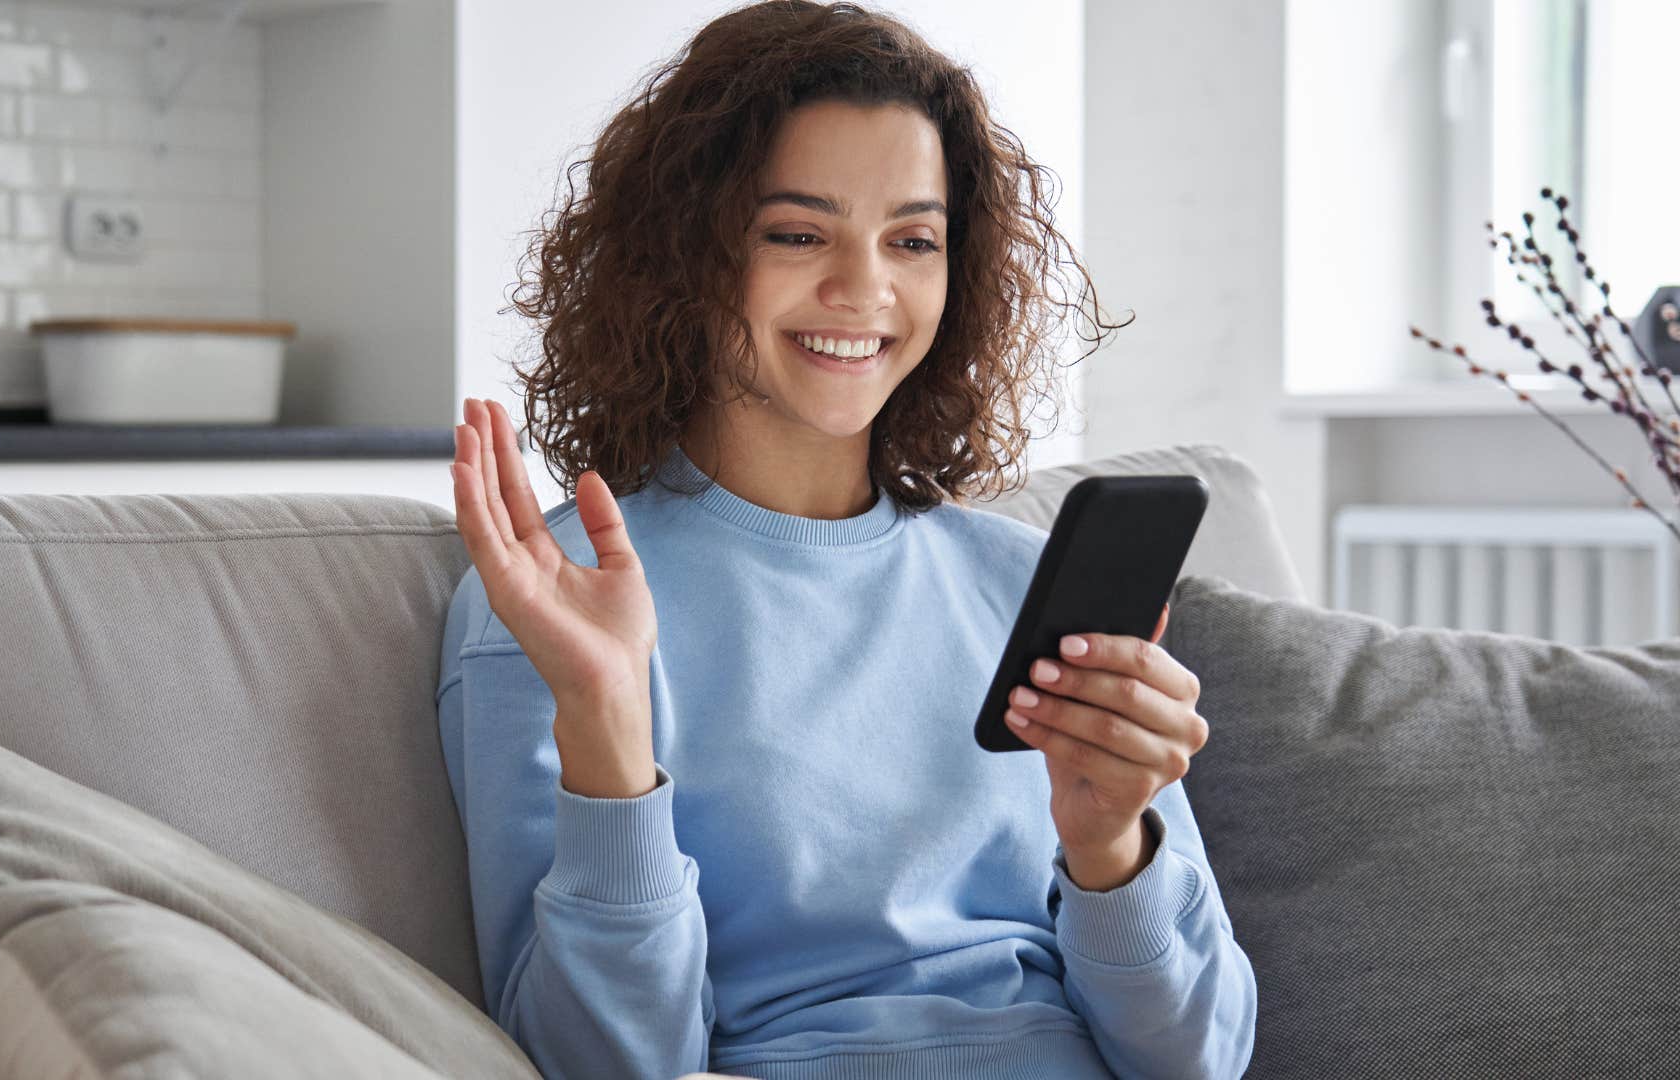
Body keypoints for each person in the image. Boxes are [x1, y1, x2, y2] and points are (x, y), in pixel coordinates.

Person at [437, 2, 1257, 1077]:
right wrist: (606, 729)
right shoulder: (555, 603)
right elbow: (608, 1062)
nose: (864, 289)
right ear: (684, 256)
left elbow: (1200, 1059)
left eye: (912, 241)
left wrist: (1111, 849)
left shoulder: (1020, 582)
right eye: (796, 233)